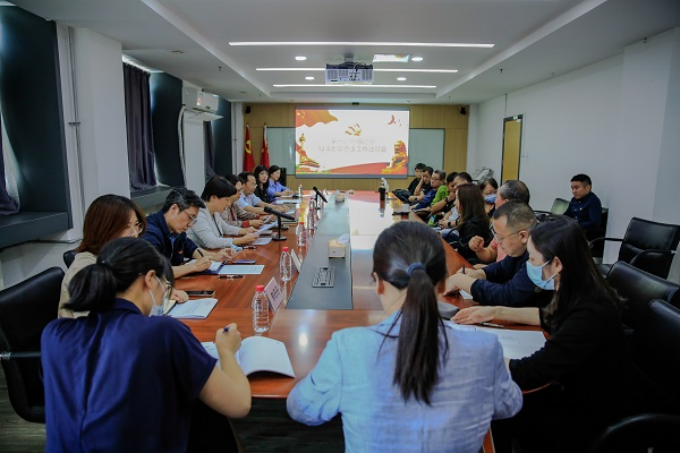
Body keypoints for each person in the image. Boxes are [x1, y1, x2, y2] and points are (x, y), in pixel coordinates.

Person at [287, 222, 522, 452]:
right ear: (443, 285)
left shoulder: (349, 347)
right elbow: (509, 405)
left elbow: (303, 409)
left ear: (378, 284)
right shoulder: (485, 348)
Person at [43, 238, 251, 452]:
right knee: (207, 413)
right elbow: (238, 404)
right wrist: (226, 350)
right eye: (166, 286)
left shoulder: (54, 333)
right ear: (150, 279)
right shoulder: (163, 331)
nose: (164, 296)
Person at [453, 216, 641, 452]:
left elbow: (530, 372)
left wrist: (477, 356)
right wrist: (494, 312)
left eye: (532, 259)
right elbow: (549, 316)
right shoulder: (578, 287)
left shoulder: (589, 312)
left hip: (591, 413)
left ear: (557, 264)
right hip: (573, 391)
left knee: (495, 409)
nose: (529, 265)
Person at [446, 201, 553, 308]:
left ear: (523, 236)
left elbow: (508, 296)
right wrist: (480, 274)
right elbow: (503, 267)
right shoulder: (521, 246)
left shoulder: (540, 254)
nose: (498, 243)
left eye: (501, 238)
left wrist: (463, 282)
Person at [59, 194, 147, 318]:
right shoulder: (85, 269)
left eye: (136, 225)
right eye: (126, 226)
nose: (134, 233)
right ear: (104, 229)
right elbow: (97, 324)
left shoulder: (115, 257)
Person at [143, 188, 232, 279]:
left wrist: (214, 256)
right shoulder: (149, 233)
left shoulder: (176, 230)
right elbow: (155, 272)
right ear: (174, 209)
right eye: (190, 217)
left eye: (194, 220)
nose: (190, 224)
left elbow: (191, 249)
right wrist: (194, 266)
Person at [188, 176, 260, 250]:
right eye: (226, 200)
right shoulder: (199, 213)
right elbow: (211, 242)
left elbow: (226, 228)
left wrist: (245, 231)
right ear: (213, 198)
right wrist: (242, 240)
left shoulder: (214, 212)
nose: (228, 204)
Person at [468, 180, 531, 265]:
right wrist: (479, 249)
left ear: (506, 203)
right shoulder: (502, 224)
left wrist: (487, 270)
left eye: (497, 197)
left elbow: (508, 269)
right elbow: (491, 253)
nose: (494, 201)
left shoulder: (524, 233)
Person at [441, 184, 492, 262]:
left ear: (466, 202)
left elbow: (465, 254)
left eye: (457, 198)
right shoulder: (479, 217)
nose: (454, 203)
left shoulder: (471, 225)